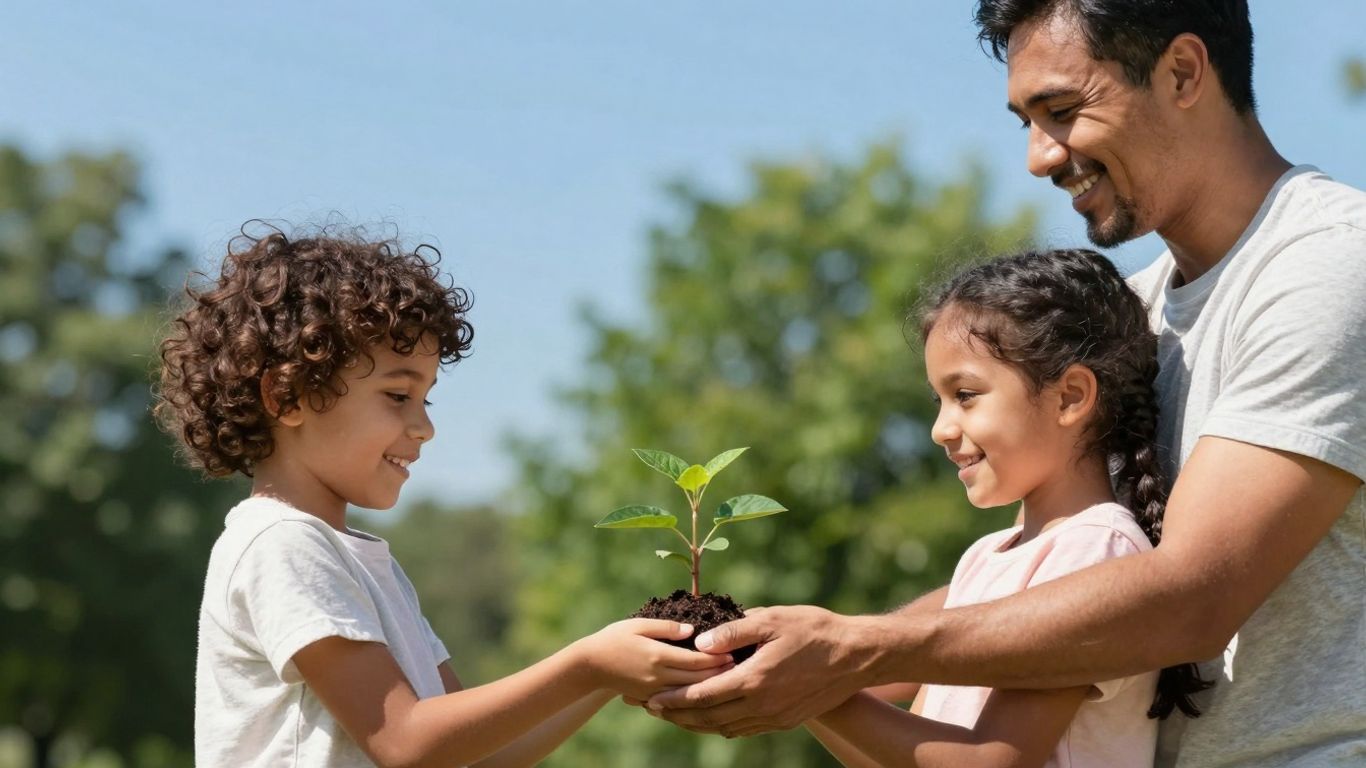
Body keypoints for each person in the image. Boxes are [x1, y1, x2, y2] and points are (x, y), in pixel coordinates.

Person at [646, 2, 1366, 766]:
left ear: (1183, 71)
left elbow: (1194, 596)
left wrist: (863, 653)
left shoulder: (1327, 269)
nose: (1038, 158)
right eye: (1025, 119)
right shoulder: (1140, 312)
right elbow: (1049, 586)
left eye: (1061, 111)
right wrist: (801, 650)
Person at [156, 224, 732, 768]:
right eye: (398, 395)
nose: (424, 427)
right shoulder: (281, 545)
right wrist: (586, 665)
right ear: (288, 397)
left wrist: (609, 676)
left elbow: (476, 752)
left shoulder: (363, 562)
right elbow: (405, 741)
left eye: (426, 400)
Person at [804, 248, 1206, 768]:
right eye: (938, 401)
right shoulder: (984, 557)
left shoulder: (1094, 549)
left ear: (1070, 397)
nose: (941, 429)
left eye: (965, 395)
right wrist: (782, 679)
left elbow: (992, 760)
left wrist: (804, 692)